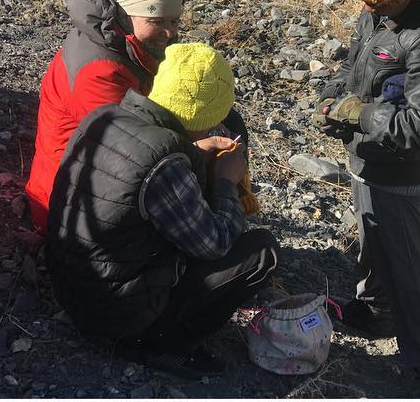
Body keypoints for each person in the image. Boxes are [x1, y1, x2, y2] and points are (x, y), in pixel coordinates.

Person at [44, 42, 278, 378]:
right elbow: (215, 244)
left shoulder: (105, 116)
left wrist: (192, 152)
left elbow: (138, 171)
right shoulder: (165, 164)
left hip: (74, 290)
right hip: (116, 315)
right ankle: (160, 343)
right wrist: (226, 182)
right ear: (205, 115)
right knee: (262, 251)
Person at [317, 0, 420, 390]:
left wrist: (358, 114)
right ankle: (374, 310)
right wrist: (331, 98)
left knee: (406, 267)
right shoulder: (377, 13)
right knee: (372, 236)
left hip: (397, 168)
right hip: (366, 154)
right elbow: (352, 67)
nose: (364, 6)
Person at [25, 0, 185, 232]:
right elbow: (131, 151)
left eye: (174, 21)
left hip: (83, 185)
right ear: (125, 13)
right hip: (66, 211)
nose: (169, 33)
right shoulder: (100, 70)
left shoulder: (112, 39)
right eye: (157, 21)